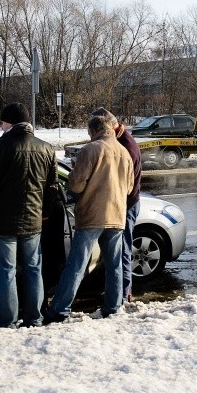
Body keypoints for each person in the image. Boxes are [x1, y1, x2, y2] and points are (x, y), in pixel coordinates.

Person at [44, 115, 134, 323]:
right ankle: (113, 306)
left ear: (93, 131)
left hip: (92, 215)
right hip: (117, 215)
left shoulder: (90, 150)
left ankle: (59, 309)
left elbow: (76, 185)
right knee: (114, 265)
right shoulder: (124, 152)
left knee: (76, 264)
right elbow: (129, 188)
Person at [0, 102, 56, 328]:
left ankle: (8, 321)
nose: (0, 125)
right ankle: (34, 318)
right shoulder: (47, 149)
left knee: (6, 272)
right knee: (33, 269)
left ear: (9, 122)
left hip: (2, 223)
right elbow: (52, 188)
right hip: (34, 220)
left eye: (2, 122)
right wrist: (45, 214)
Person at [91, 107, 141, 302]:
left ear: (111, 125)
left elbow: (126, 184)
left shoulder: (126, 146)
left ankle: (124, 293)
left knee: (123, 250)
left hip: (126, 205)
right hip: (121, 202)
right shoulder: (119, 140)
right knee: (118, 251)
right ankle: (118, 292)